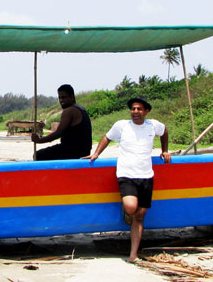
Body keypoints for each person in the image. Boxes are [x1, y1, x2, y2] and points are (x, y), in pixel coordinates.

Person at [83, 96, 172, 263]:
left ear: (146, 111)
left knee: (140, 216)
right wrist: (96, 153)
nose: (135, 112)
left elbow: (165, 131)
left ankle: (133, 255)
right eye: (133, 109)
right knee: (131, 207)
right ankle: (125, 210)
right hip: (126, 174)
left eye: (139, 109)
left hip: (146, 176)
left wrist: (165, 150)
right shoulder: (122, 126)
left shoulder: (153, 125)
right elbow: (107, 137)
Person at [32, 84, 92, 160]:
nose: (61, 100)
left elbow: (58, 133)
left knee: (38, 155)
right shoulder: (81, 109)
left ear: (72, 97)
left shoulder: (69, 111)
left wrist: (39, 140)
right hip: (83, 151)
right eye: (59, 98)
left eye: (64, 97)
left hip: (73, 151)